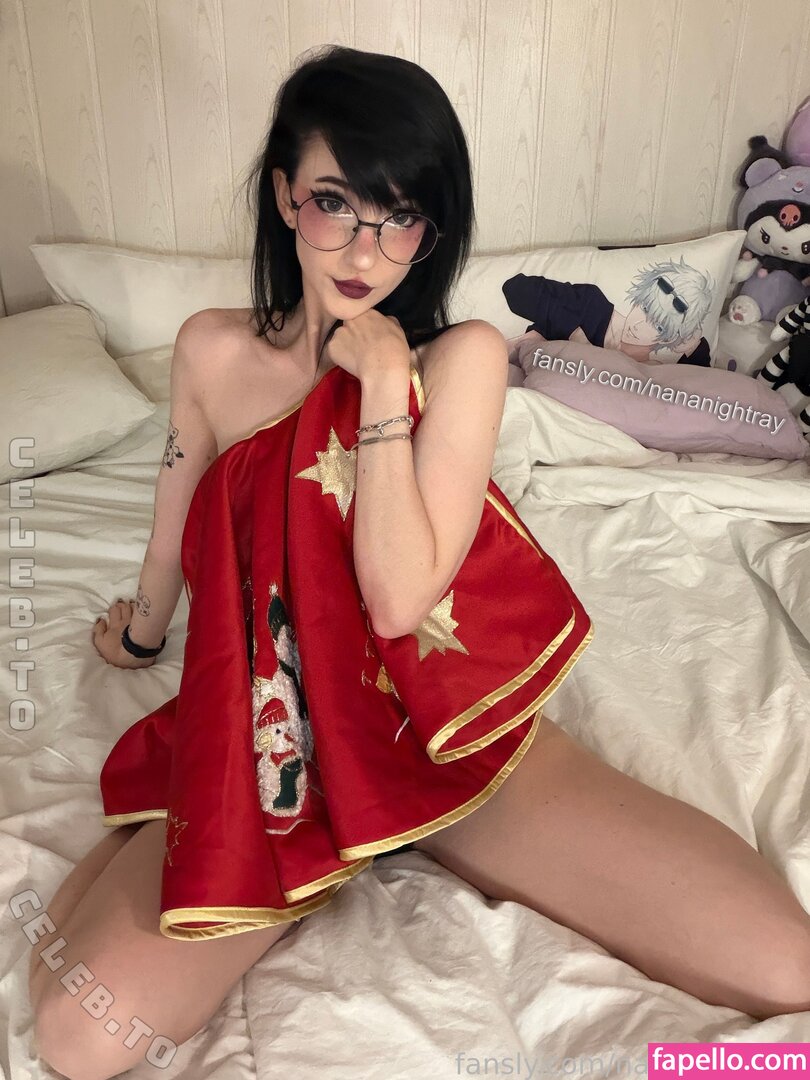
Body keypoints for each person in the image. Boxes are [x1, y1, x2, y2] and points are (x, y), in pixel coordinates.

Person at [29, 44, 810, 1080]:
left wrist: (385, 383)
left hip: (438, 730)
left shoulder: (462, 358)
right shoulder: (211, 351)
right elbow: (176, 511)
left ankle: (410, 829)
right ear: (284, 195)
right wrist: (139, 634)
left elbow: (399, 599)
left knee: (788, 969)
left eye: (400, 217)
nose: (366, 249)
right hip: (278, 748)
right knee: (78, 1036)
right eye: (334, 203)